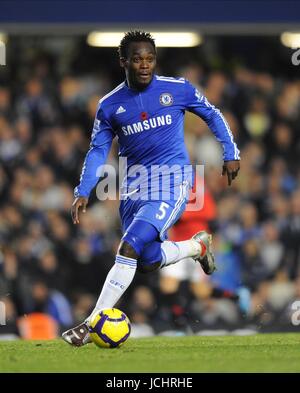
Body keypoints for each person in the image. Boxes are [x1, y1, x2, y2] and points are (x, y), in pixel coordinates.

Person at [62, 30, 240, 346]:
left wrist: (230, 152)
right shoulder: (109, 106)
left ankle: (90, 326)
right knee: (144, 261)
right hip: (133, 191)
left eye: (149, 58)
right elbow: (98, 151)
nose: (144, 64)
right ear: (123, 61)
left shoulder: (177, 89)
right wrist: (84, 190)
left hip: (172, 183)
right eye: (137, 59)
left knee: (128, 247)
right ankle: (195, 247)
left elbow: (212, 114)